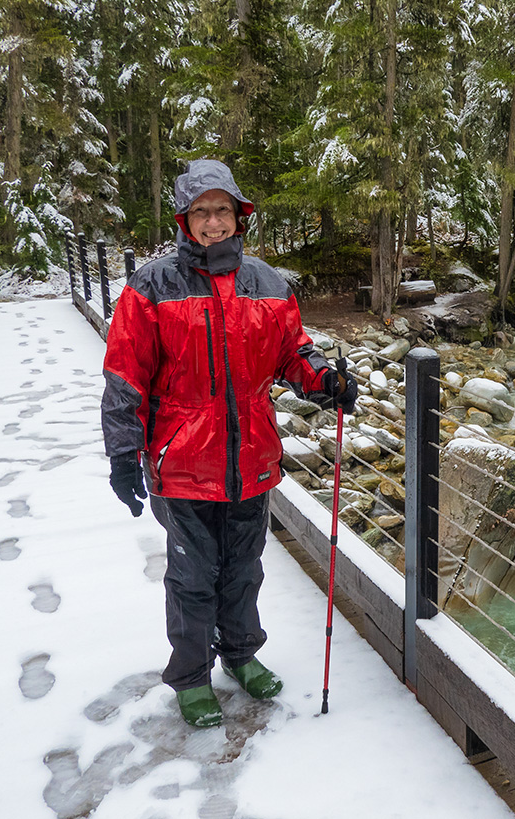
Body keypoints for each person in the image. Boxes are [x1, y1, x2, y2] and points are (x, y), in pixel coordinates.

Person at [101, 159, 357, 727]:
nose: (213, 222)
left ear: (239, 216)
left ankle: (241, 653)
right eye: (201, 212)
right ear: (184, 220)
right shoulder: (152, 287)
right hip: (182, 458)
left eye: (222, 210)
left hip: (251, 456)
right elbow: (125, 374)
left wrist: (325, 381)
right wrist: (123, 453)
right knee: (193, 576)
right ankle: (191, 676)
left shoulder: (267, 283)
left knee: (244, 567)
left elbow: (294, 353)